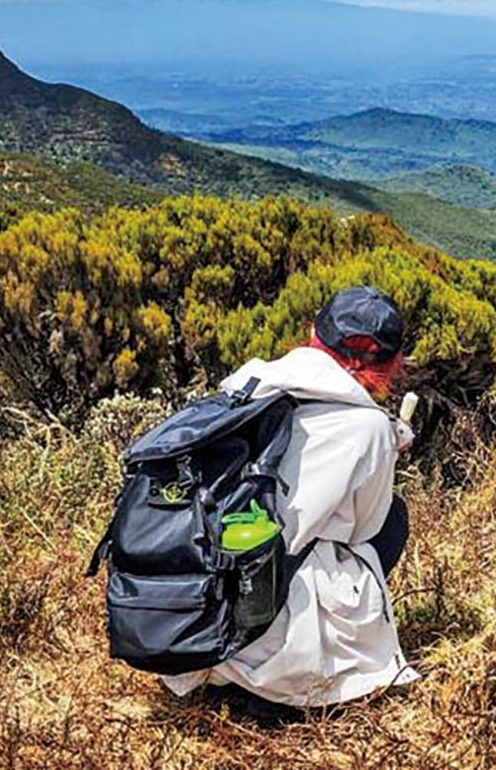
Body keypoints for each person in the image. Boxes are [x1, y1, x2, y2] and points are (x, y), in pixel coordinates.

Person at [163, 285, 419, 721]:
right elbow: (363, 529)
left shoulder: (248, 384)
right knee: (392, 520)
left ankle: (227, 669)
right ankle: (292, 673)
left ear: (313, 333)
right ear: (391, 362)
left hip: (196, 600)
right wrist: (384, 453)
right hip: (274, 604)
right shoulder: (369, 428)